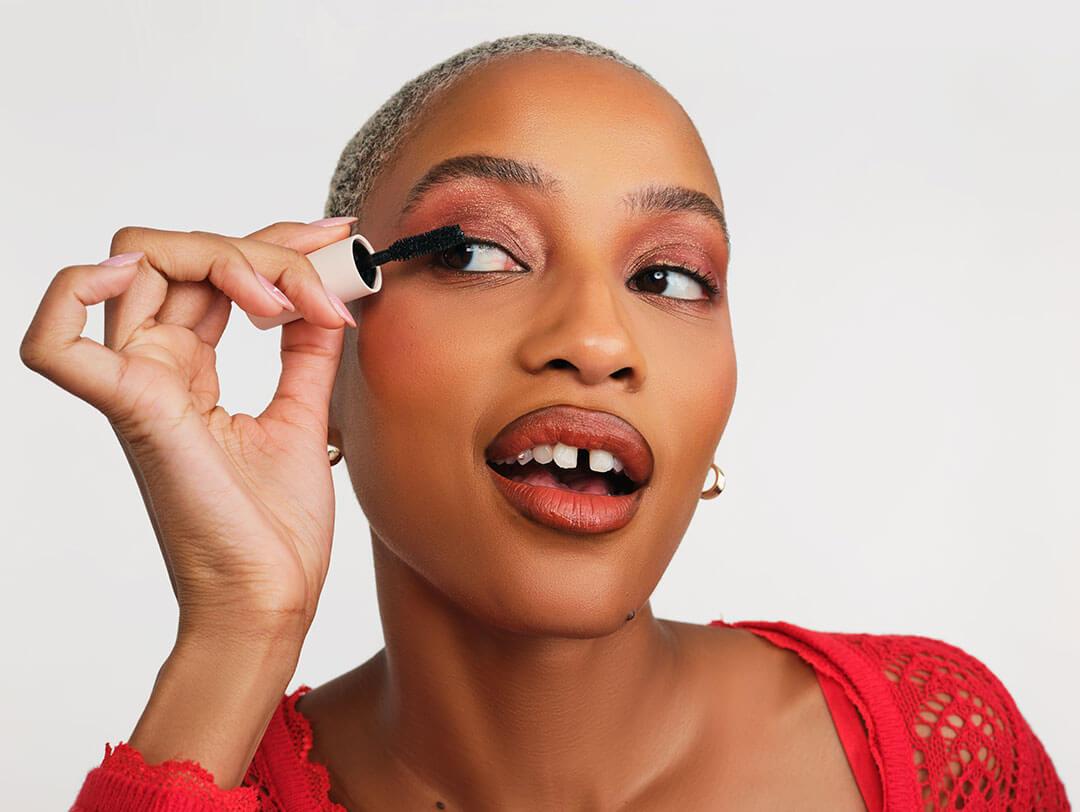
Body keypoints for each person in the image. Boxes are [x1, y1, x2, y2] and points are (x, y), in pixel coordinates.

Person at [21, 33, 1068, 811]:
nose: (598, 339)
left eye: (668, 273)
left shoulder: (937, 747)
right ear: (323, 341)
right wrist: (236, 625)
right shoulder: (207, 783)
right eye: (479, 253)